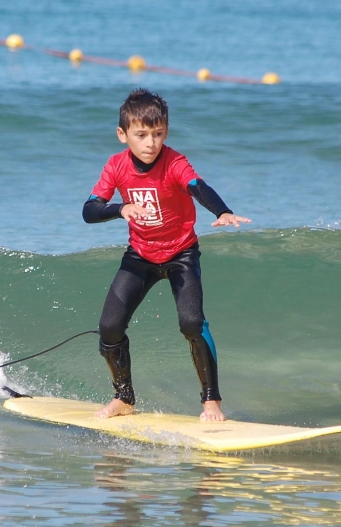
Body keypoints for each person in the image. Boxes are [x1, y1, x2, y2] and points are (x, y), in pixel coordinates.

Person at [82, 88, 251, 421]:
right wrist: (121, 208)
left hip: (181, 255)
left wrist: (223, 210)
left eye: (158, 134)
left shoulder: (175, 162)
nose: (150, 143)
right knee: (109, 328)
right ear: (123, 135)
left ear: (166, 132)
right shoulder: (116, 167)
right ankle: (124, 398)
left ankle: (211, 402)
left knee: (191, 323)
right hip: (140, 256)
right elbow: (90, 210)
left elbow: (197, 187)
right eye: (141, 135)